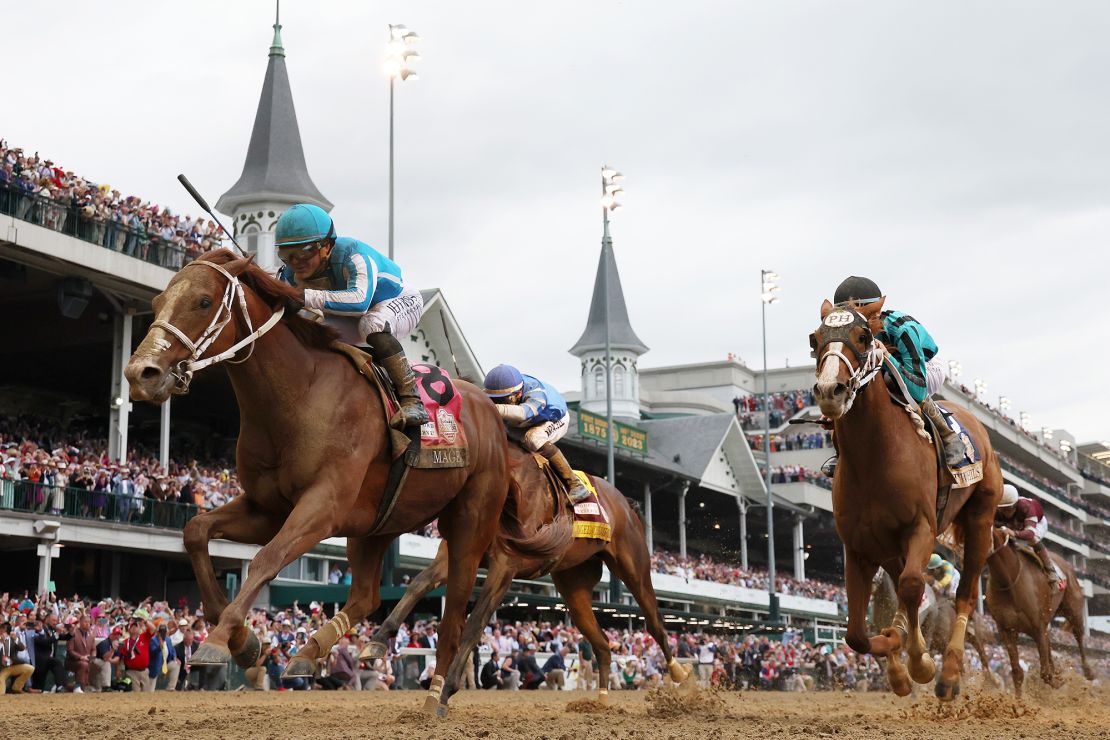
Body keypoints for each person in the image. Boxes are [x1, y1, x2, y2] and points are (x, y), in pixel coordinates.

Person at [274, 203, 428, 429]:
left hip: (399, 302)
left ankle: (412, 400)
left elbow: (360, 302)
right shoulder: (289, 273)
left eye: (304, 252)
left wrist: (304, 296)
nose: (296, 262)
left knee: (372, 324)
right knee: (315, 334)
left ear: (326, 246)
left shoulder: (353, 254)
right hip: (356, 312)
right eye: (287, 254)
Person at [820, 276, 965, 476]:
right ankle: (842, 451)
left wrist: (887, 355)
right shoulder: (850, 333)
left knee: (895, 385)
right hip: (882, 368)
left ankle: (948, 437)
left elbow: (917, 387)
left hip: (925, 367)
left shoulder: (903, 329)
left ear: (874, 312)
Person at [481, 364, 589, 502]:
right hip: (524, 424)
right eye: (493, 399)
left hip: (554, 419)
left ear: (518, 394)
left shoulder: (535, 391)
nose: (496, 402)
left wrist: (492, 407)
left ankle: (575, 484)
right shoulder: (506, 393)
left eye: (503, 399)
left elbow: (524, 413)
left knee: (533, 438)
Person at [996, 483, 1062, 584]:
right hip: (1017, 524)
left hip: (1038, 524)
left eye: (1008, 509)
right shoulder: (997, 511)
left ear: (1015, 504)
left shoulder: (1026, 507)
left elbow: (1030, 533)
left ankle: (1050, 569)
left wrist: (1013, 533)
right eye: (1002, 509)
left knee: (1032, 539)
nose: (1005, 512)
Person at [0, 622, 35, 694]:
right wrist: (2, 643)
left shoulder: (12, 639)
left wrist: (16, 639)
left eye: (6, 630)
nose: (4, 632)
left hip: (12, 666)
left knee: (30, 668)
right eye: (3, 629)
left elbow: (22, 648)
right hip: (1, 668)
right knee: (1, 689)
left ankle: (17, 687)